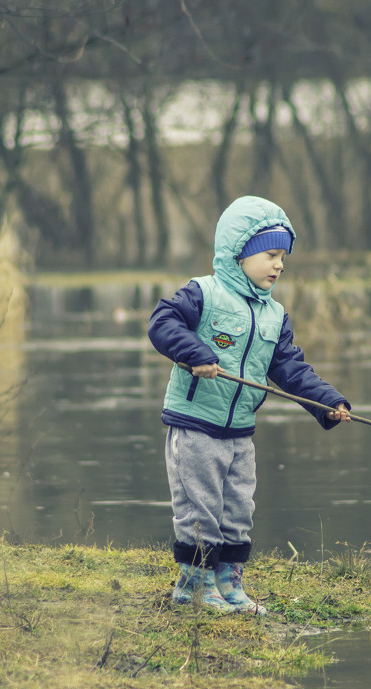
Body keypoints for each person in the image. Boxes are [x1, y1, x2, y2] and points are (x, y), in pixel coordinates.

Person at [148, 195, 351, 614]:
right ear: (239, 254)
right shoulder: (203, 293)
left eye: (283, 258)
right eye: (270, 255)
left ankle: (230, 586)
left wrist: (326, 402)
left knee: (238, 508)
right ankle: (194, 591)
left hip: (240, 431)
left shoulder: (274, 315)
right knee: (200, 510)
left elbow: (291, 369)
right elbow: (161, 323)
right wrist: (195, 353)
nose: (279, 265)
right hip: (196, 425)